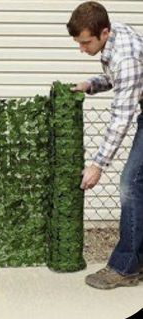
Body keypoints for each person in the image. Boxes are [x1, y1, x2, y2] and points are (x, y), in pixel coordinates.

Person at [66, 1, 143, 289]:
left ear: (104, 32)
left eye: (86, 42)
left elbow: (122, 115)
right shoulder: (114, 40)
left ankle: (125, 268)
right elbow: (121, 82)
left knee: (131, 184)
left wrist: (97, 164)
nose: (82, 48)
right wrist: (91, 84)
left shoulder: (125, 56)